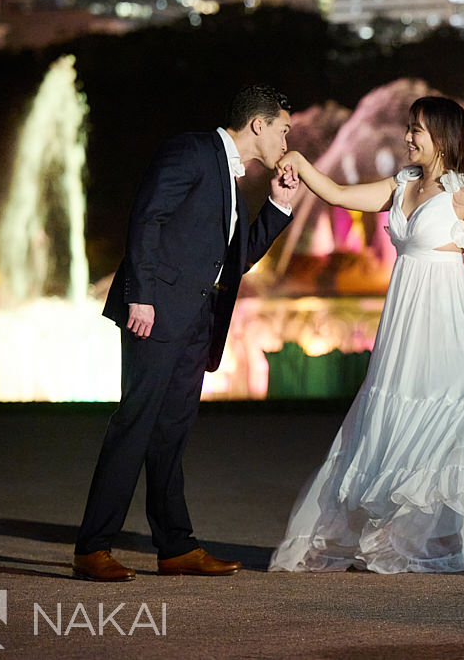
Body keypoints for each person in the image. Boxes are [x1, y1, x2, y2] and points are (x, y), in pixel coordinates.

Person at [269, 95, 464, 574]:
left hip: (449, 317)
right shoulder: (401, 185)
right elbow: (340, 194)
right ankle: (401, 530)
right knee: (401, 414)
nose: (407, 137)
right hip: (405, 322)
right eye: (409, 128)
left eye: (417, 130)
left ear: (443, 136)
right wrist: (301, 161)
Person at [73, 85, 300, 581]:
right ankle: (93, 547)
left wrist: (279, 208)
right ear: (258, 125)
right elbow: (148, 217)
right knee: (136, 424)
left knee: (171, 433)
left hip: (197, 319)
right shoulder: (192, 150)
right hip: (155, 311)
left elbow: (237, 260)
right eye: (284, 129)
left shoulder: (235, 180)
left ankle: (175, 547)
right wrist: (141, 294)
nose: (287, 140)